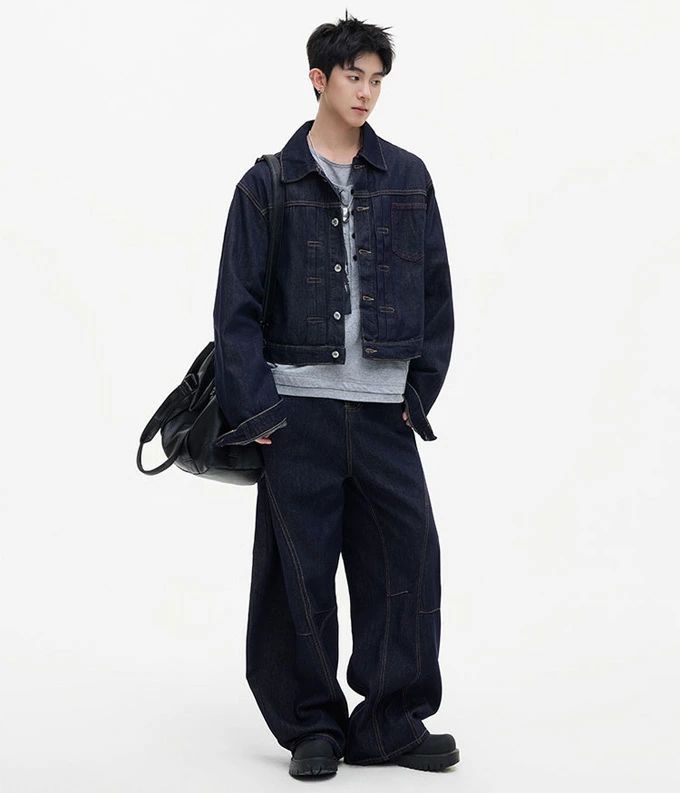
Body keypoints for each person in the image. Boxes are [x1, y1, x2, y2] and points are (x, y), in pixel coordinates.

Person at [212, 12, 457, 778]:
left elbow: (437, 292)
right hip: (297, 412)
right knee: (300, 573)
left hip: (384, 411)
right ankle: (312, 725)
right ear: (319, 78)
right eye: (354, 76)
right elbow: (235, 308)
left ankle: (389, 722)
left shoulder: (408, 176)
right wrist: (258, 411)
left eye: (376, 79)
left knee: (407, 560)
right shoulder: (267, 184)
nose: (366, 91)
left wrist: (418, 393)